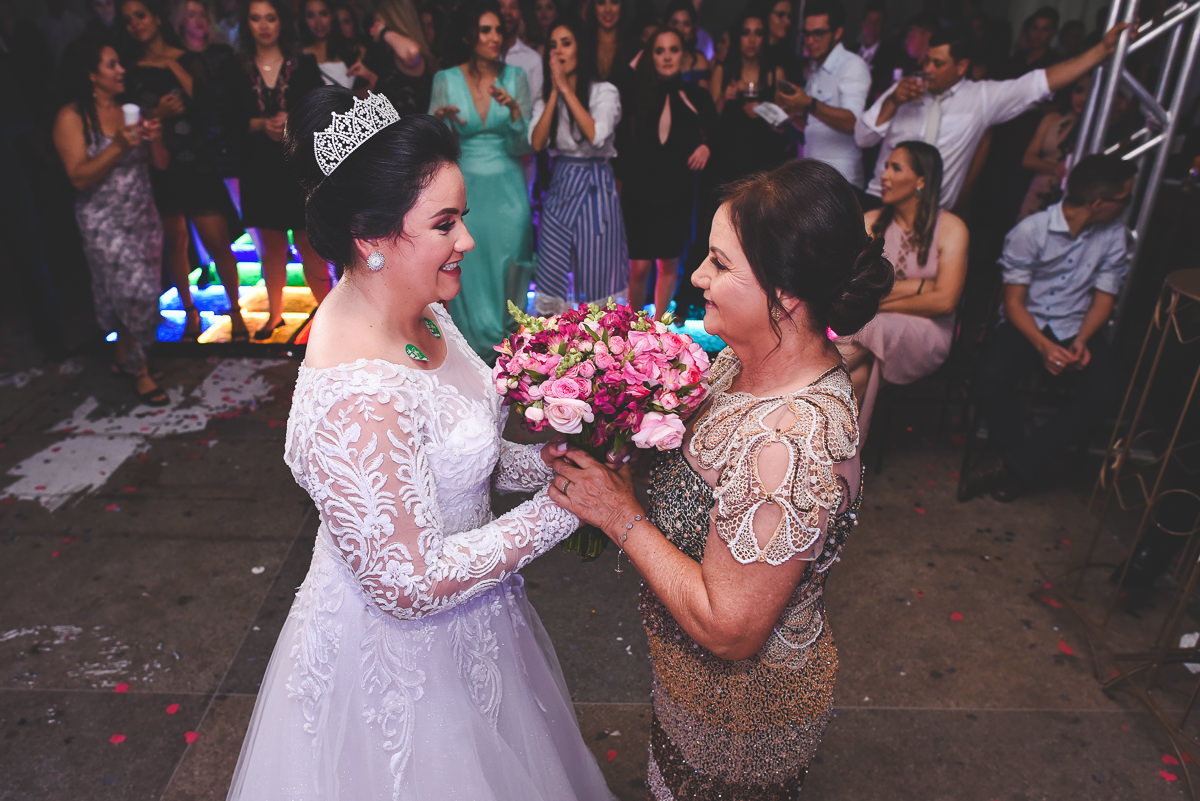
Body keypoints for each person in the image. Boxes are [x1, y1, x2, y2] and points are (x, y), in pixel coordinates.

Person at [226, 87, 615, 800]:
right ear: (372, 237)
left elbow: (459, 457)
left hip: (479, 621)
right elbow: (406, 580)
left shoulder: (424, 308)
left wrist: (553, 462)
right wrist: (568, 507)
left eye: (461, 217)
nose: (467, 239)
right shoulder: (356, 392)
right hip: (399, 669)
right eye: (445, 223)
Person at [546, 158, 893, 800]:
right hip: (688, 689)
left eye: (721, 263)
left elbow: (731, 629)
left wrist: (619, 514)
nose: (699, 276)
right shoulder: (745, 359)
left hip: (739, 715)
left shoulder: (785, 445)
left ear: (785, 292)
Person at [962, 154, 1134, 503]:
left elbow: (1104, 299)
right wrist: (1043, 346)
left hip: (1076, 325)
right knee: (991, 377)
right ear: (1099, 203)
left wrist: (1082, 340)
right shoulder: (1031, 231)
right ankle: (1018, 461)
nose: (1127, 206)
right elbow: (1013, 304)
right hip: (1028, 323)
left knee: (1105, 394)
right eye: (1125, 199)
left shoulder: (1114, 236)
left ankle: (1013, 464)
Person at [855, 22, 1134, 210]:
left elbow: (1039, 83)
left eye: (938, 63)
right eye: (927, 60)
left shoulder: (982, 97)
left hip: (932, 215)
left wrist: (1101, 51)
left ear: (962, 66)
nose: (927, 68)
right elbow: (862, 139)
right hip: (880, 203)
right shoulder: (902, 90)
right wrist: (891, 101)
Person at [53, 34, 169, 405]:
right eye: (111, 65)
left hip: (142, 215)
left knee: (134, 290)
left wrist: (153, 138)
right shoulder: (71, 117)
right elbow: (78, 176)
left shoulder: (129, 109)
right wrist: (119, 144)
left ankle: (123, 355)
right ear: (91, 74)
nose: (121, 71)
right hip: (102, 219)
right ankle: (142, 371)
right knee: (135, 293)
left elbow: (162, 164)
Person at [835, 141, 967, 438]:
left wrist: (879, 301)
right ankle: (841, 455)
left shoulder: (952, 229)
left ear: (921, 180)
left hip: (929, 332)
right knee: (859, 375)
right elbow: (853, 287)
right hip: (870, 327)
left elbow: (945, 301)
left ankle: (807, 385)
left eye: (896, 168)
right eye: (885, 167)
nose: (884, 176)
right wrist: (921, 286)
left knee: (867, 328)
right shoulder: (870, 222)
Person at [430, 0, 533, 360]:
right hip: (465, 188)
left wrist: (517, 112)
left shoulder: (516, 77)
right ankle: (471, 353)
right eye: (486, 30)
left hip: (509, 188)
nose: (494, 37)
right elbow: (435, 149)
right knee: (468, 265)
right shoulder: (445, 79)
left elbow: (525, 144)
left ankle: (507, 351)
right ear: (469, 36)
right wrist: (441, 121)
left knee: (510, 264)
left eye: (498, 31)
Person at [237, 0, 330, 340]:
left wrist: (292, 120)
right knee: (271, 250)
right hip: (258, 168)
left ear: (280, 22)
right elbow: (223, 117)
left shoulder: (302, 63)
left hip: (297, 166)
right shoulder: (237, 67)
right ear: (247, 24)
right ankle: (275, 315)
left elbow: (321, 109)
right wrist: (259, 123)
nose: (263, 25)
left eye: (270, 18)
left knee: (311, 246)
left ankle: (329, 314)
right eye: (256, 18)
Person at [529, 18, 626, 314]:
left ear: (580, 50)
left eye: (566, 43)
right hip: (563, 180)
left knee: (597, 266)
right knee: (553, 263)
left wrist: (568, 91)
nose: (559, 51)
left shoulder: (604, 91)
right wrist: (556, 92)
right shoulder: (546, 99)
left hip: (596, 181)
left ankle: (600, 344)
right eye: (553, 45)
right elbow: (536, 142)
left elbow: (596, 135)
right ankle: (553, 344)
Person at [621, 26, 716, 318]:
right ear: (649, 55)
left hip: (677, 190)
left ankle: (658, 329)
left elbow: (716, 131)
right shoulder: (636, 91)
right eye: (659, 50)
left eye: (673, 50)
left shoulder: (696, 95)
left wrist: (707, 147)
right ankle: (631, 329)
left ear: (684, 55)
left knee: (669, 263)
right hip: (639, 190)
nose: (666, 57)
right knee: (639, 266)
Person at [776, 0, 870, 188]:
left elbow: (853, 122)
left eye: (818, 33)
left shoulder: (852, 65)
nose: (810, 41)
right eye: (806, 34)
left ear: (837, 32)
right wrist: (791, 117)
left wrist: (809, 103)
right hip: (814, 175)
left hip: (841, 178)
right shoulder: (816, 67)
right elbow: (817, 125)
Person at [1017, 74, 1089, 220]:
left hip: (1070, 199)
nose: (1082, 98)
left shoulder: (1095, 129)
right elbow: (1028, 159)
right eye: (1079, 90)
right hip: (1039, 191)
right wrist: (1058, 169)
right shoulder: (1051, 119)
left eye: (1090, 91)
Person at [369, 0, 436, 114]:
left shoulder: (409, 55)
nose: (375, 27)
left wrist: (383, 32)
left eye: (380, 22)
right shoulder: (390, 55)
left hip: (412, 130)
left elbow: (411, 52)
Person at [300, 0, 370, 89]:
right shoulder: (299, 57)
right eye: (311, 15)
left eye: (323, 14)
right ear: (304, 19)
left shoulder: (351, 51)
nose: (318, 21)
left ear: (332, 16)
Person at [498, 0, 543, 100]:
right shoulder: (484, 56)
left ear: (520, 13)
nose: (507, 12)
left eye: (513, 7)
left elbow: (537, 104)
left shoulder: (533, 59)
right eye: (502, 6)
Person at [663, 0, 709, 88]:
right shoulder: (654, 56)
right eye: (674, 23)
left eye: (686, 24)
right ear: (666, 25)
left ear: (692, 30)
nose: (679, 29)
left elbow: (704, 99)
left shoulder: (699, 61)